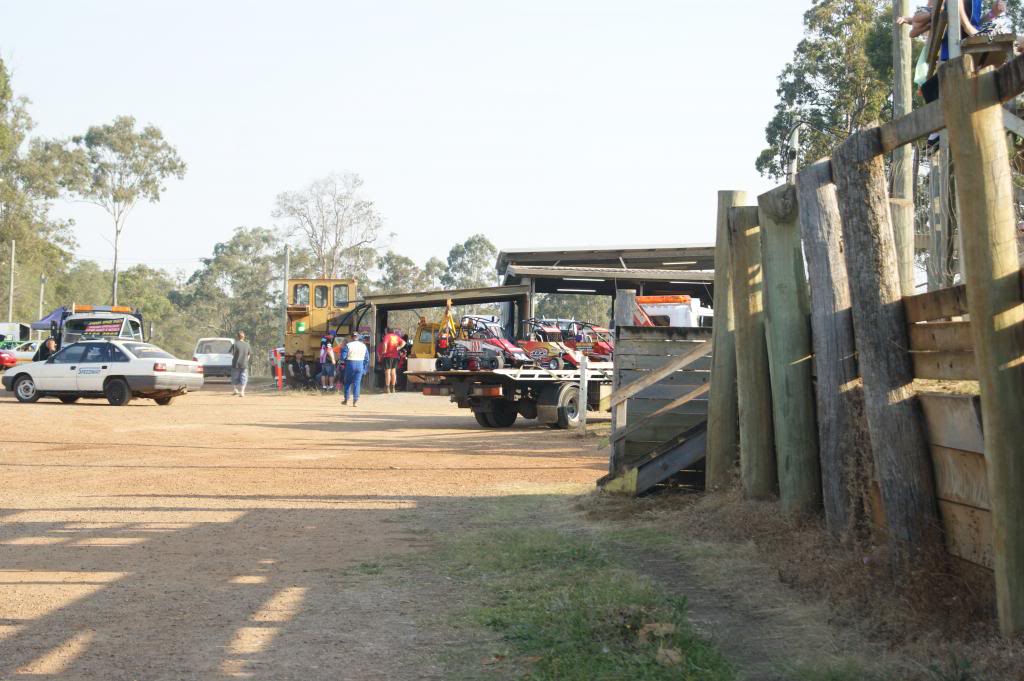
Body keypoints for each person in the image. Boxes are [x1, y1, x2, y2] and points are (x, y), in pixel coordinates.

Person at [341, 331, 369, 406]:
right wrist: (364, 369)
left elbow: (343, 357)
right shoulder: (363, 346)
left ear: (351, 337)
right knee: (357, 383)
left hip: (350, 364)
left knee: (348, 382)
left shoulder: (348, 345)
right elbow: (367, 359)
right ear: (358, 337)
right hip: (360, 364)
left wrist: (342, 365)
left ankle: (346, 399)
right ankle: (355, 400)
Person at [377, 327, 406, 394]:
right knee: (393, 372)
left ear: (387, 331)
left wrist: (384, 351)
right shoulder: (396, 337)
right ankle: (393, 388)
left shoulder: (387, 336)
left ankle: (387, 388)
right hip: (395, 356)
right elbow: (404, 342)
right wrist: (398, 347)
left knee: (387, 372)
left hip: (387, 356)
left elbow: (384, 344)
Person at [231, 331, 251, 397]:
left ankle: (235, 389)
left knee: (234, 377)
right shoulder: (247, 344)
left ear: (237, 337)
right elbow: (249, 355)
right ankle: (242, 392)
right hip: (244, 364)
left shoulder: (235, 344)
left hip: (236, 364)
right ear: (244, 337)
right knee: (244, 378)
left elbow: (232, 354)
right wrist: (246, 360)